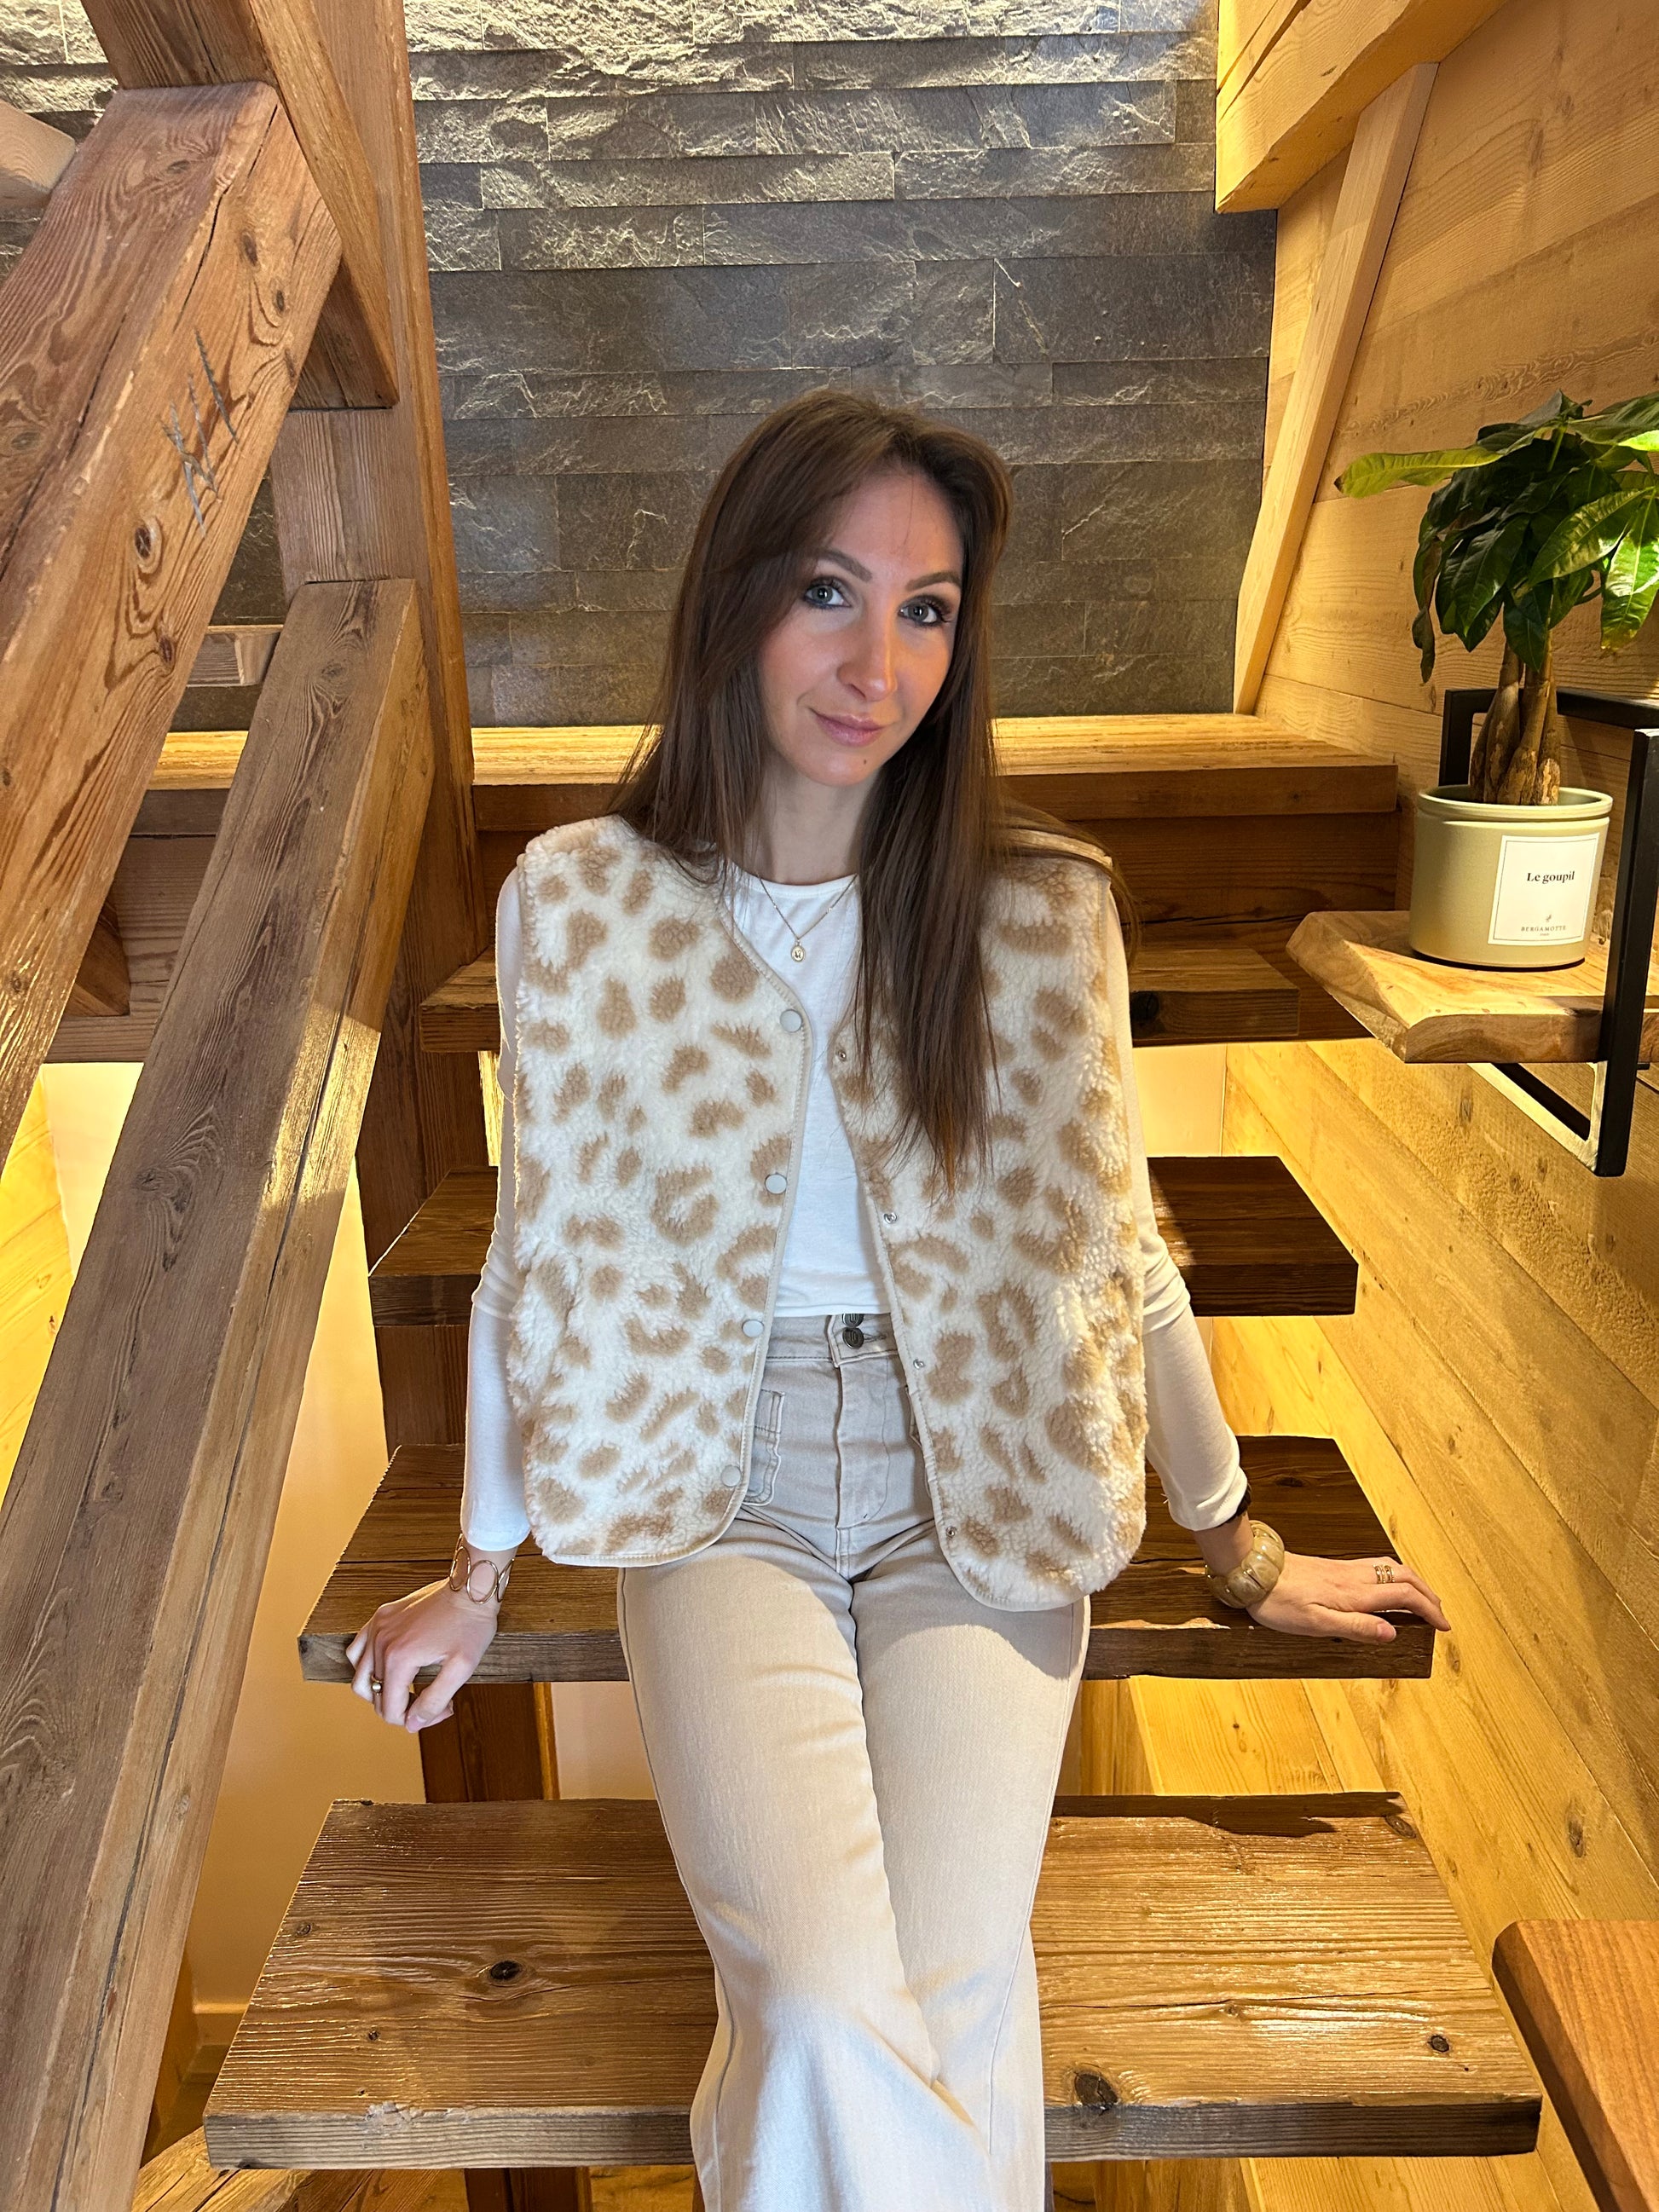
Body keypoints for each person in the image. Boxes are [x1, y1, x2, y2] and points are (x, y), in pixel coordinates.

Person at [348, 390, 1449, 2212]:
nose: (879, 663)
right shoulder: (583, 907)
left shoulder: (1033, 910)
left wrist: (1237, 1543)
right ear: (735, 599)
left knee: (936, 1988)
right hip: (721, 1484)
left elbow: (1118, 1249)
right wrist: (478, 1571)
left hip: (983, 1480)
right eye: (828, 592)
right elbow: (542, 1259)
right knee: (827, 2001)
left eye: (926, 608)